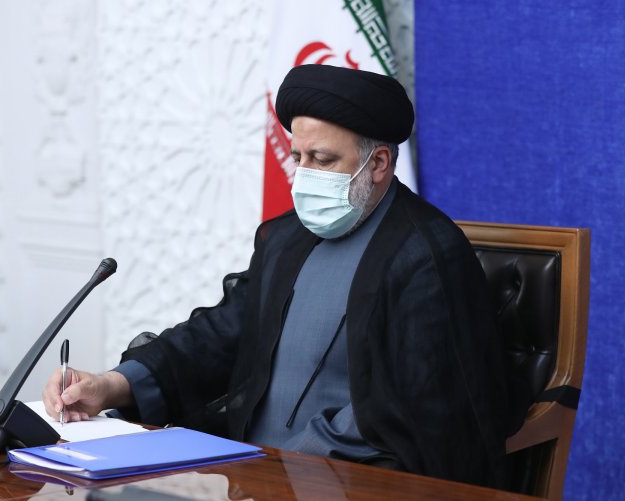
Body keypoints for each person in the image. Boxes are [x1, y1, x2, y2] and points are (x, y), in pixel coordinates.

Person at [42, 64, 508, 487]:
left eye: (322, 160)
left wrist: (285, 467)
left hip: (349, 483)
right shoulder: (286, 237)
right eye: (297, 156)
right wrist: (112, 384)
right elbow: (219, 335)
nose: (303, 175)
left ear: (380, 163)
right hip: (250, 474)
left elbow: (414, 409)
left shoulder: (427, 254)